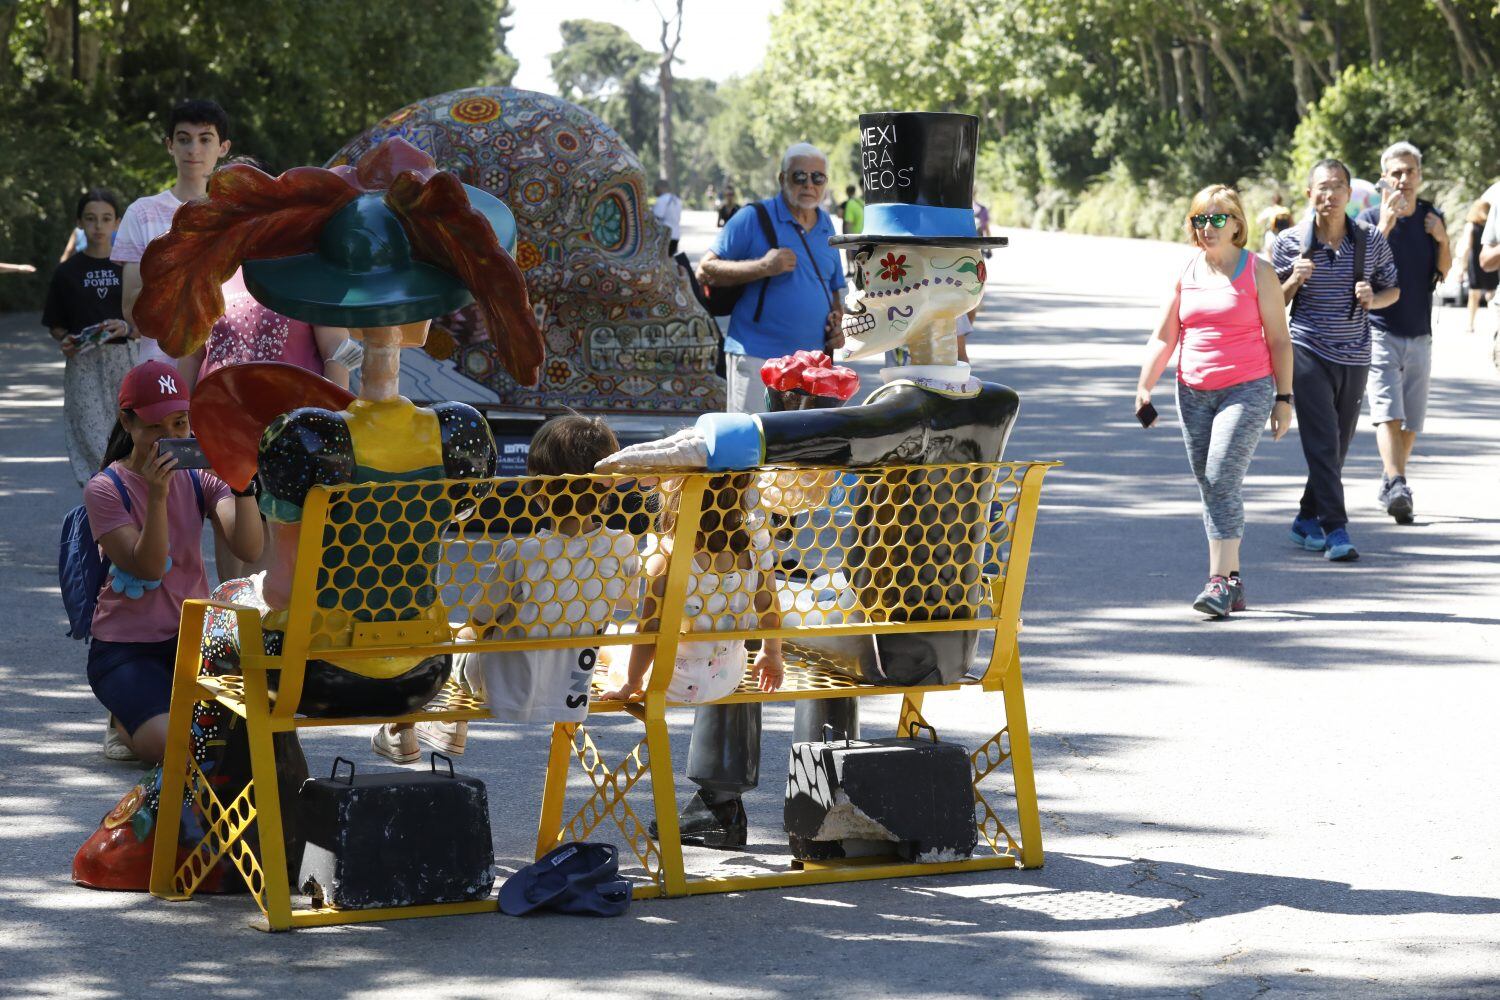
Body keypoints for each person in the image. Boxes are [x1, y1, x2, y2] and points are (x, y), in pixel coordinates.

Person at [372, 414, 638, 762]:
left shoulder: (522, 551)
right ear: (607, 485)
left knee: (461, 636)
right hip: (571, 688)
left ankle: (416, 726)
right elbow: (625, 603)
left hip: (505, 689)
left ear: (537, 487)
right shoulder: (623, 547)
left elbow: (481, 618)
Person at [84, 360, 262, 763]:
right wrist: (157, 493)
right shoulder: (104, 489)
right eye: (155, 428)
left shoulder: (201, 475)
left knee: (242, 741)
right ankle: (124, 720)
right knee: (179, 748)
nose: (170, 439)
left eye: (180, 424)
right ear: (127, 424)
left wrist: (245, 485)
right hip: (126, 650)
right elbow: (147, 567)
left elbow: (248, 548)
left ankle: (145, 711)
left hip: (191, 642)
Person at [1134, 185, 1295, 617]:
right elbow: (1165, 335)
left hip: (1247, 387)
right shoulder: (1187, 272)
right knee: (1211, 484)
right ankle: (1232, 582)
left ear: (1238, 224)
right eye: (1199, 220)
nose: (1208, 228)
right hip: (1192, 390)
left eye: (1218, 218)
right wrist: (1144, 386)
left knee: (1221, 475)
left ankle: (1219, 582)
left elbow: (1280, 340)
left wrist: (1284, 397)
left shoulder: (1258, 272)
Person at [1273, 158, 1399, 562]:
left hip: (1356, 353)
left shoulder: (1370, 240)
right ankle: (1335, 529)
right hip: (1307, 350)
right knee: (1324, 443)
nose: (1329, 195)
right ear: (1309, 194)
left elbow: (1392, 290)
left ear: (1350, 193)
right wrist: (1294, 279)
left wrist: (1372, 299)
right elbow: (1271, 305)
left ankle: (1306, 517)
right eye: (1321, 188)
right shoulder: (1289, 242)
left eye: (1337, 187)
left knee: (1338, 447)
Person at [602, 471, 782, 705]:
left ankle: (610, 656)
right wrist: (771, 653)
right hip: (728, 677)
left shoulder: (668, 555)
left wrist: (632, 683)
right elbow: (769, 606)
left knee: (615, 650)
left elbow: (650, 631)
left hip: (670, 683)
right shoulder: (757, 542)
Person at [697, 141, 845, 415]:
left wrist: (838, 322)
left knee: (801, 452)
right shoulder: (752, 218)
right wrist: (764, 266)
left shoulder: (827, 224)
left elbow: (835, 288)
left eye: (817, 177)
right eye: (799, 176)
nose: (808, 184)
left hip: (812, 365)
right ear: (782, 178)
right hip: (757, 358)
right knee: (751, 447)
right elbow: (705, 270)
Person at [1356, 142, 1450, 525]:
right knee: (1386, 413)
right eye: (1396, 172)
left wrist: (1442, 238)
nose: (1403, 179)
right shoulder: (1370, 218)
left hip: (1420, 331)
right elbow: (1359, 263)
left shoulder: (1432, 216)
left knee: (1411, 420)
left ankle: (1391, 479)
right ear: (1384, 177)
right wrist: (1385, 226)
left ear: (1419, 175)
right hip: (1380, 328)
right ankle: (1397, 482)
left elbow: (1443, 270)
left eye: (1410, 172)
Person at [113, 99, 231, 364]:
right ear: (170, 145)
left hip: (226, 370)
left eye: (205, 139)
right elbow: (131, 310)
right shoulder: (141, 213)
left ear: (223, 147)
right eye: (184, 139)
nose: (194, 149)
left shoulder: (236, 217)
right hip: (161, 374)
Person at [42, 189, 138, 486]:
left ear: (118, 223)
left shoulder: (130, 267)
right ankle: (104, 494)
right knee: (91, 436)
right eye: (91, 219)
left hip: (124, 359)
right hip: (83, 363)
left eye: (106, 219)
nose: (99, 226)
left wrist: (128, 328)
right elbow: (55, 323)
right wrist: (66, 340)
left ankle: (131, 493)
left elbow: (145, 320)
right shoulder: (66, 272)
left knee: (130, 430)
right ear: (79, 223)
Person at [1457, 199, 1497, 332]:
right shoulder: (1489, 226)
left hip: (1476, 262)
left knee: (1474, 296)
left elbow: (1467, 248)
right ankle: (1493, 323)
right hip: (1488, 261)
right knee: (1490, 294)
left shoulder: (1472, 226)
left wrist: (1462, 268)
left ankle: (1471, 324)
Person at [652, 178, 683, 255]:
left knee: (662, 261)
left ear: (661, 188)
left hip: (665, 235)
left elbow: (657, 216)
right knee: (670, 260)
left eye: (655, 188)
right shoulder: (677, 200)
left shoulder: (662, 199)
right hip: (676, 235)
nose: (654, 191)